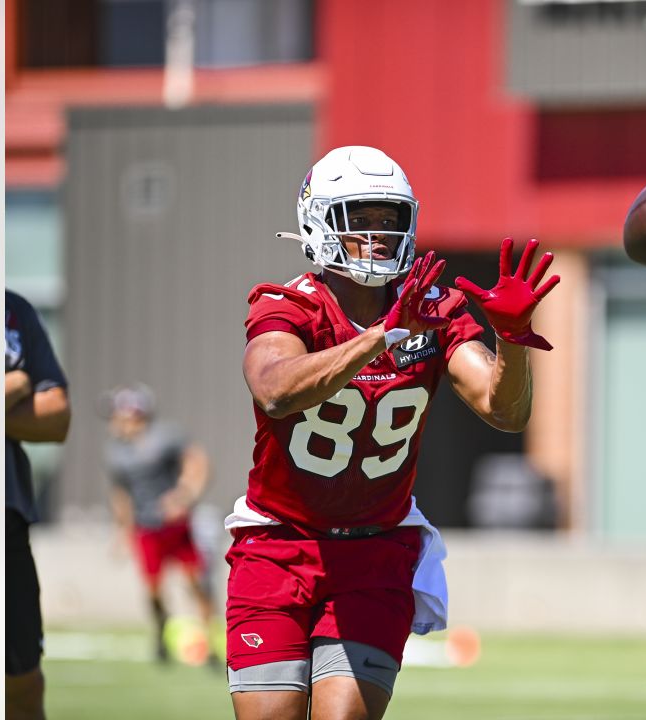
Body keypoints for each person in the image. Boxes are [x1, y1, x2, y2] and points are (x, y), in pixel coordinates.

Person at [224, 145, 560, 720]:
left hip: (376, 549)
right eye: (361, 219)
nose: (378, 235)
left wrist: (511, 339)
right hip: (278, 542)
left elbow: (503, 410)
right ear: (320, 221)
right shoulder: (289, 306)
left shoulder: (433, 309)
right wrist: (383, 335)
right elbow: (275, 389)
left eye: (390, 219)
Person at [104, 383, 218, 666]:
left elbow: (197, 461)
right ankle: (161, 634)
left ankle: (212, 643)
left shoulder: (165, 436)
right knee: (153, 590)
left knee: (196, 582)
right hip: (146, 528)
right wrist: (122, 530)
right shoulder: (116, 451)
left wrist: (184, 494)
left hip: (175, 525)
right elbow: (121, 493)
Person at [6, 290, 71, 720]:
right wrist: (14, 383)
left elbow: (56, 417)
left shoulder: (13, 309)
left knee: (22, 683)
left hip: (3, 517)